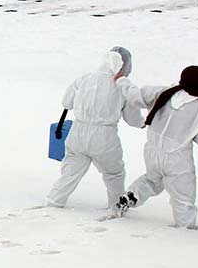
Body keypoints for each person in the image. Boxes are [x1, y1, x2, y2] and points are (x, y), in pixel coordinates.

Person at [115, 65, 198, 227]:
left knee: (151, 180)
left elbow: (135, 96)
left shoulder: (163, 92)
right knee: (183, 197)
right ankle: (185, 230)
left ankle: (130, 196)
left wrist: (121, 80)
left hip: (152, 151)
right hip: (178, 158)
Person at [46, 47, 144, 208]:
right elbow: (132, 118)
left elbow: (67, 102)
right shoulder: (121, 86)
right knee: (114, 173)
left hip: (78, 131)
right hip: (104, 136)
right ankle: (116, 206)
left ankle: (54, 201)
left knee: (71, 171)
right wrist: (143, 123)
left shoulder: (85, 78)